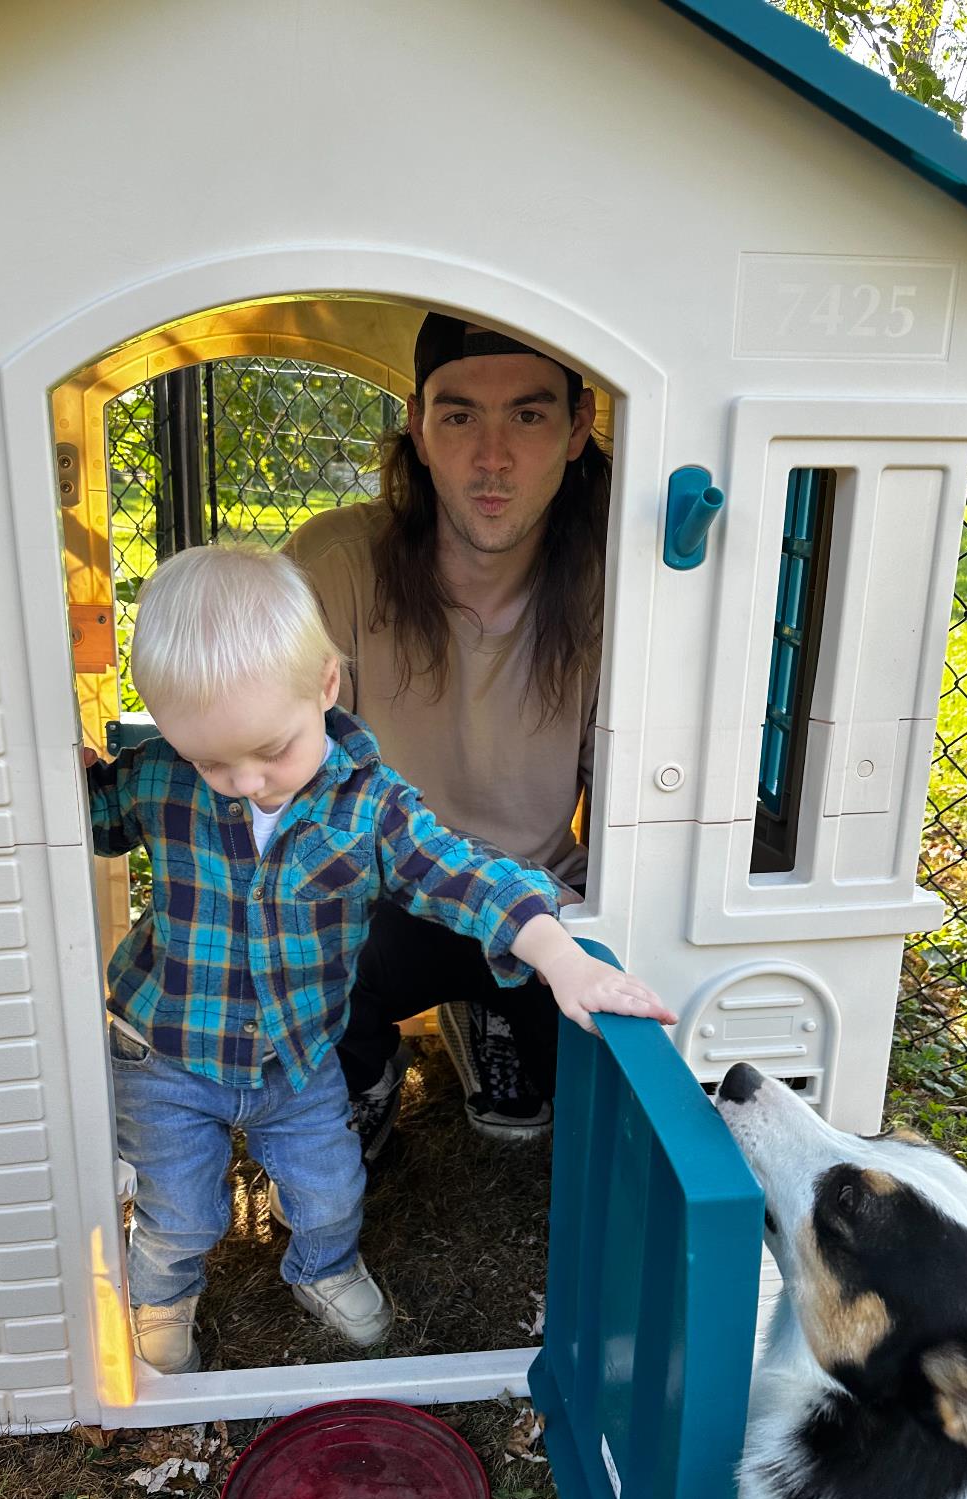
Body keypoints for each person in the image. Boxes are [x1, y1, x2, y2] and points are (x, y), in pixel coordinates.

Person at [85, 546, 674, 1375]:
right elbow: (90, 816)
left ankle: (323, 1265)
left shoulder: (369, 805)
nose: (246, 781)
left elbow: (462, 871)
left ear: (326, 685)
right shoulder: (158, 777)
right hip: (166, 1051)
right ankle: (163, 1290)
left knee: (330, 1189)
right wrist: (65, 768)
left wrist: (558, 953)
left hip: (297, 1057)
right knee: (179, 1207)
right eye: (211, 761)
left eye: (272, 749)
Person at [286, 312, 609, 1155]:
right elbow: (285, 792)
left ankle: (496, 1006)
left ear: (578, 427)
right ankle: (364, 1068)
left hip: (537, 896)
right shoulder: (335, 565)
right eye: (461, 415)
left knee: (605, 1101)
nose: (492, 456)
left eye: (528, 415)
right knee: (289, 919)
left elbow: (640, 796)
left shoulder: (616, 583)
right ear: (420, 429)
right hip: (380, 899)